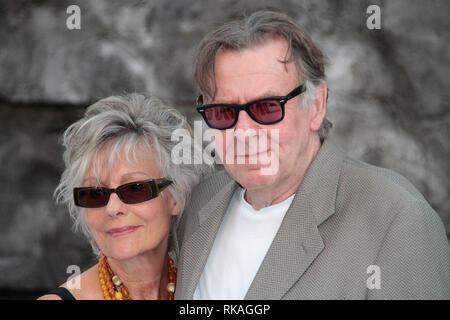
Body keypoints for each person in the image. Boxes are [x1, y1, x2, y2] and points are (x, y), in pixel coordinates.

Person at [175, 10, 450, 299]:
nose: (244, 132)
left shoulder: (396, 217)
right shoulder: (196, 204)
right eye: (223, 112)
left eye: (267, 107)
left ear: (316, 106)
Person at [39, 93, 206, 300]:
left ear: (177, 196)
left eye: (134, 188)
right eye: (96, 193)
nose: (112, 208)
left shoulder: (210, 290)